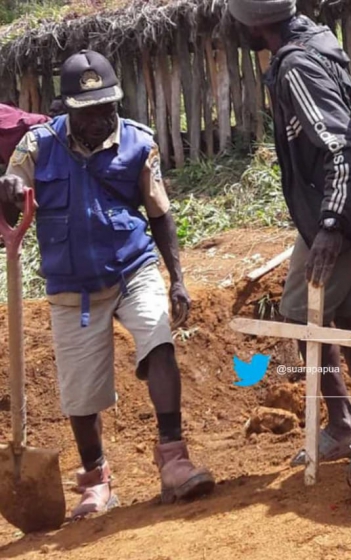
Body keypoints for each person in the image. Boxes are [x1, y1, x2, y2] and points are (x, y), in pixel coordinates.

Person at [0, 50, 215, 519]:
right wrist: (9, 190)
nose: (100, 119)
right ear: (67, 109)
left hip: (131, 270)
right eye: (88, 111)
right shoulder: (37, 145)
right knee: (80, 393)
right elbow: (12, 184)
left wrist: (177, 279)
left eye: (107, 108)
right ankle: (96, 481)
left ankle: (174, 460)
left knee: (158, 342)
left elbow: (160, 213)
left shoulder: (138, 143)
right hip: (70, 287)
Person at [228, 0, 351, 462]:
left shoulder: (296, 66)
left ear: (256, 25)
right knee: (348, 309)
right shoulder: (318, 42)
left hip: (344, 203)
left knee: (303, 315)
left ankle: (344, 424)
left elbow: (342, 148)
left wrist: (331, 224)